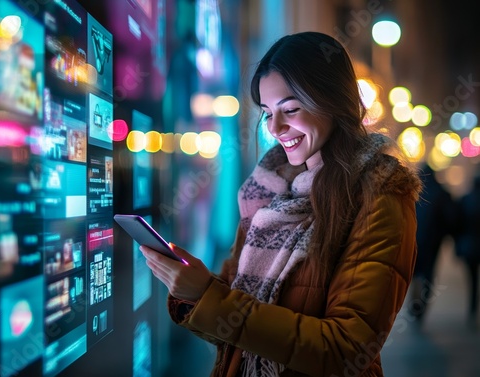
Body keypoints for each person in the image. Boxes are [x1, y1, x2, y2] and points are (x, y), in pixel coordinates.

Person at [140, 31, 421, 377]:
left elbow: (346, 349)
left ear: (333, 102)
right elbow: (234, 336)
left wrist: (211, 297)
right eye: (267, 112)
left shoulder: (378, 196)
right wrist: (195, 291)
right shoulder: (267, 192)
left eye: (290, 109)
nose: (275, 126)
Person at [407, 164, 455, 322]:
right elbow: (449, 218)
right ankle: (421, 308)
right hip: (433, 243)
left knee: (412, 273)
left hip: (413, 240)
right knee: (427, 274)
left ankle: (413, 305)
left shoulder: (412, 192)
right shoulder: (441, 193)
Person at [454, 173, 480, 323]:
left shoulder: (466, 199)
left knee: (472, 278)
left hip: (469, 247)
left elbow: (457, 224)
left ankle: (472, 306)